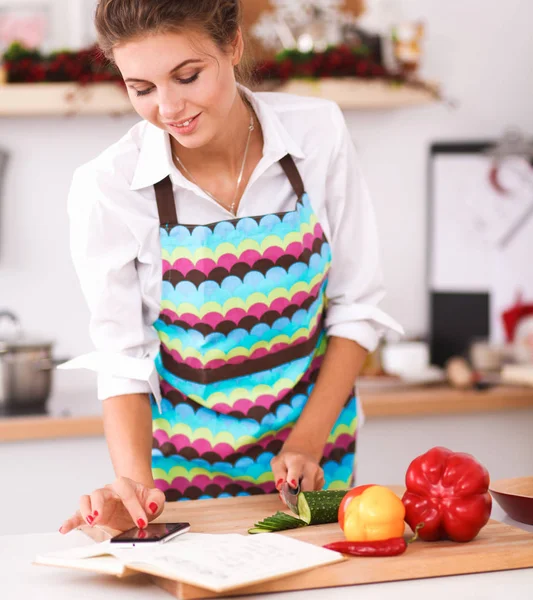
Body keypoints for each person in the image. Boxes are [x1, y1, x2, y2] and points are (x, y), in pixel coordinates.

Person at [59, 0, 402, 535]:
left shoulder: (316, 133)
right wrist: (133, 488)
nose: (168, 108)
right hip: (181, 476)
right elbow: (123, 359)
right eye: (142, 88)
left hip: (315, 457)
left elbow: (358, 307)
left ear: (234, 45)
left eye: (187, 76)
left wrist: (307, 442)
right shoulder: (108, 186)